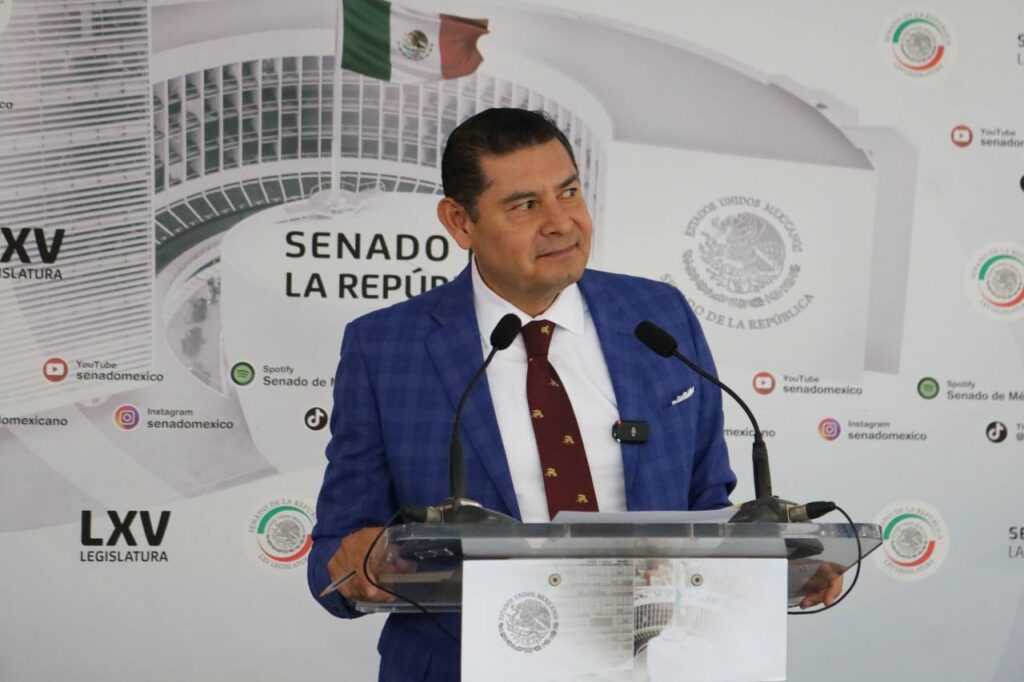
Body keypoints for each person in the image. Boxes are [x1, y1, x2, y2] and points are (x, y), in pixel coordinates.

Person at [308, 108, 838, 682]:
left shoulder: (659, 316)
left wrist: (774, 563)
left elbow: (706, 505)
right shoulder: (386, 348)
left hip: (658, 663)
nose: (562, 222)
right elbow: (335, 553)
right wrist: (361, 563)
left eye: (569, 192)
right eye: (525, 205)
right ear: (460, 222)